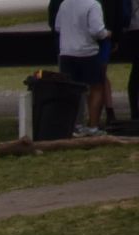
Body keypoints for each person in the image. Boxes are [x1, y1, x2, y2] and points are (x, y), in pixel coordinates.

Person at [56, 0, 112, 135]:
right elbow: (97, 30)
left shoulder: (64, 4)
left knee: (73, 90)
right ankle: (93, 126)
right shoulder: (93, 5)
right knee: (95, 88)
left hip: (67, 52)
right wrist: (107, 33)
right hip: (87, 52)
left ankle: (76, 125)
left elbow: (58, 27)